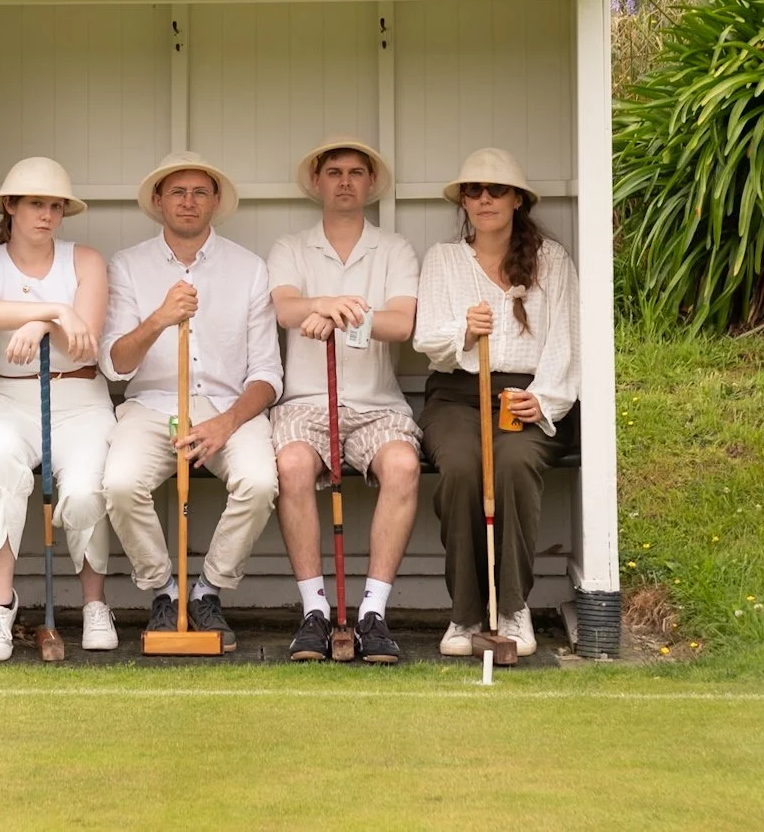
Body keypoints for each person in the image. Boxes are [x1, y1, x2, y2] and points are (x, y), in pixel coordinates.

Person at [101, 150, 282, 652]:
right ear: (158, 201)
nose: (188, 201)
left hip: (228, 407)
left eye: (200, 191)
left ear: (215, 201)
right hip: (152, 405)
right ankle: (165, 590)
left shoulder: (249, 269)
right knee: (118, 484)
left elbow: (267, 375)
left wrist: (226, 424)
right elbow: (116, 362)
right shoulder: (129, 266)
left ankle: (207, 592)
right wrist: (159, 318)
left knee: (261, 482)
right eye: (177, 192)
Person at [413, 147, 579, 659]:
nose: (484, 199)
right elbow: (425, 338)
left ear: (516, 200)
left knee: (512, 464)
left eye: (496, 191)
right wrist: (465, 329)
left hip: (526, 396)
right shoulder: (444, 259)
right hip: (458, 396)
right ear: (463, 201)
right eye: (473, 191)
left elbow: (568, 340)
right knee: (463, 467)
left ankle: (511, 608)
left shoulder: (551, 261)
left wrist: (543, 399)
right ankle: (464, 614)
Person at [267, 138, 421, 664]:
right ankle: (315, 610)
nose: (346, 181)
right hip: (306, 402)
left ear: (371, 183)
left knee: (402, 465)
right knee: (289, 466)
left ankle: (372, 613)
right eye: (334, 172)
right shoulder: (291, 246)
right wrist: (322, 303)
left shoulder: (394, 248)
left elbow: (400, 323)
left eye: (357, 172)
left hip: (378, 403)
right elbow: (287, 308)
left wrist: (340, 316)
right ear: (317, 181)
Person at [0, 157, 117, 662]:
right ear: (10, 205)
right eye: (35, 203)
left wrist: (40, 326)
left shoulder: (86, 261)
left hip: (81, 400)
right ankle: (0, 607)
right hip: (10, 398)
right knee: (1, 463)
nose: (47, 215)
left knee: (84, 488)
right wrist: (55, 310)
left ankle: (95, 604)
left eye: (56, 206)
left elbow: (86, 342)